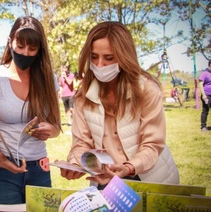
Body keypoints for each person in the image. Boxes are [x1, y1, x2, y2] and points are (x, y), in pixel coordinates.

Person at [59, 21, 179, 190]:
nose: (99, 64)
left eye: (109, 58)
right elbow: (81, 143)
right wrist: (74, 164)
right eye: (94, 57)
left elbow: (152, 144)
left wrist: (129, 167)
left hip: (151, 178)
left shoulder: (147, 90)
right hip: (107, 181)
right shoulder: (82, 97)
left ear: (124, 57)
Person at [0, 16, 62, 204]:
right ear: (10, 42)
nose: (25, 53)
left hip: (40, 169)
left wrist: (50, 130)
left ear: (40, 50)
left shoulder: (49, 79)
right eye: (20, 46)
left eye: (32, 49)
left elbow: (57, 126)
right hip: (2, 170)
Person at [199, 60, 211, 132]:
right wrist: (203, 95)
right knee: (205, 110)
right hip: (207, 95)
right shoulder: (205, 73)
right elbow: (200, 84)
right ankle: (203, 126)